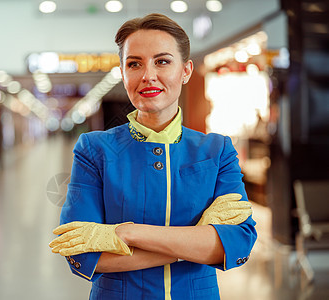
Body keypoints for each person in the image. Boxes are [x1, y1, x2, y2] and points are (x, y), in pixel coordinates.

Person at [49, 13, 257, 300]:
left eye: (162, 61)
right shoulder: (94, 150)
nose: (148, 75)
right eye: (135, 64)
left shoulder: (217, 151)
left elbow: (236, 244)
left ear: (185, 71)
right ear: (123, 73)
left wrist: (126, 234)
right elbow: (83, 256)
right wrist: (195, 239)